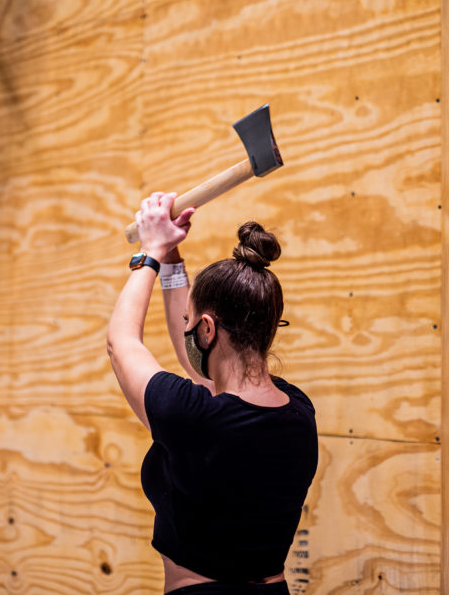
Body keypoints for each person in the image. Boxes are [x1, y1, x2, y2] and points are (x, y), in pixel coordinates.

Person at [107, 192, 318, 594]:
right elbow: (204, 367)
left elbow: (121, 342)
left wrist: (149, 252)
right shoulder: (299, 413)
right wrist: (171, 259)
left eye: (192, 323)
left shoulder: (193, 417)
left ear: (206, 330)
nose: (186, 330)